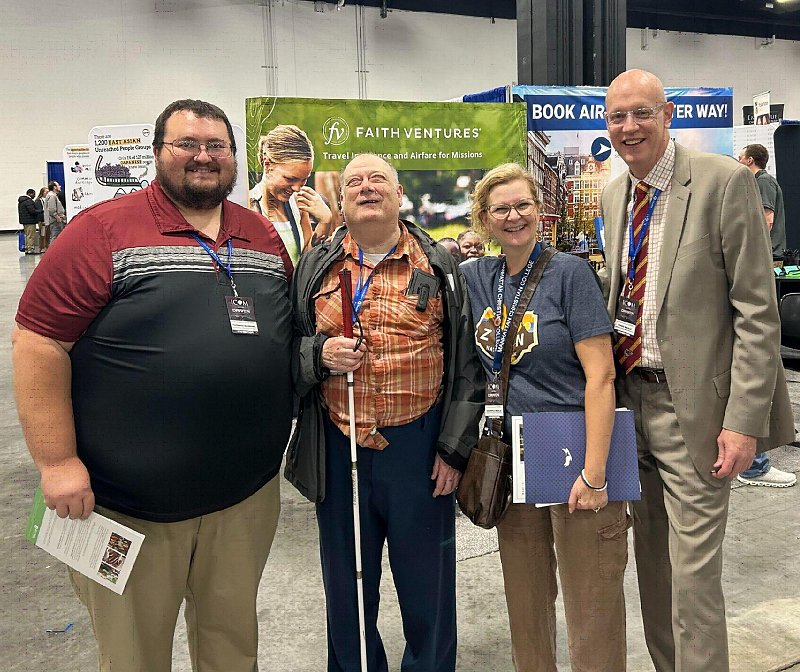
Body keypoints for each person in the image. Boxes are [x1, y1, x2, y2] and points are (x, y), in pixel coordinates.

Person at [12, 99, 294, 672]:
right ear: (158, 153)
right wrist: (57, 461)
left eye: (216, 146)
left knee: (232, 645)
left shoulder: (260, 234)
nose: (202, 157)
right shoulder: (102, 231)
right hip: (127, 507)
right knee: (135, 656)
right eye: (186, 144)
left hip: (245, 497)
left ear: (235, 158)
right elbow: (39, 343)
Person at [600, 69, 794, 672]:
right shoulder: (614, 194)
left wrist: (744, 421)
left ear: (668, 115)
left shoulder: (723, 183)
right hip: (630, 403)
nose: (629, 127)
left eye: (641, 113)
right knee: (651, 563)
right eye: (617, 117)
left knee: (693, 576)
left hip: (699, 414)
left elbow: (758, 314)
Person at [286, 153, 482, 672]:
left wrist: (454, 447)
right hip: (338, 444)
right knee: (347, 582)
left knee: (428, 584)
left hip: (420, 450)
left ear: (399, 196)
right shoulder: (316, 264)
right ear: (341, 199)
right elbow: (285, 347)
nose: (366, 188)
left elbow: (467, 363)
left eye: (378, 180)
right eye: (355, 182)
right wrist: (318, 355)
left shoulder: (440, 265)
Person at [462, 163, 628, 671]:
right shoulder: (476, 279)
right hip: (515, 456)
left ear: (540, 211)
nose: (514, 216)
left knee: (593, 603)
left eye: (523, 205)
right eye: (501, 209)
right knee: (525, 598)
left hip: (575, 448)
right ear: (484, 221)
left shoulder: (570, 274)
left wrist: (595, 473)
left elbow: (600, 377)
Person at [736, 143, 796, 488]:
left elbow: (766, 217)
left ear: (749, 160)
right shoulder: (763, 181)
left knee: (759, 347)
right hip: (765, 260)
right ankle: (755, 461)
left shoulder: (761, 182)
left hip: (764, 260)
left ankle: (756, 462)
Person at [248, 123, 334, 265]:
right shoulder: (249, 206)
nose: (296, 188)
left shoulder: (298, 207)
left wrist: (325, 221)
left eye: (303, 180)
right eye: (290, 179)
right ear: (267, 165)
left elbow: (306, 262)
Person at [18, 188, 38, 254]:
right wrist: (40, 211)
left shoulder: (22, 201)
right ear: (30, 193)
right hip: (30, 221)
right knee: (31, 235)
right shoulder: (29, 201)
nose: (34, 196)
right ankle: (30, 249)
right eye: (34, 194)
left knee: (27, 235)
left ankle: (27, 248)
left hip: (24, 221)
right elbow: (32, 211)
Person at [34, 187, 49, 252]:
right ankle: (42, 247)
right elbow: (40, 211)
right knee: (42, 234)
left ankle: (47, 246)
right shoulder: (38, 200)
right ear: (42, 193)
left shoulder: (48, 199)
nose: (47, 193)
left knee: (47, 234)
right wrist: (43, 220)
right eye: (46, 192)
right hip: (42, 220)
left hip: (48, 219)